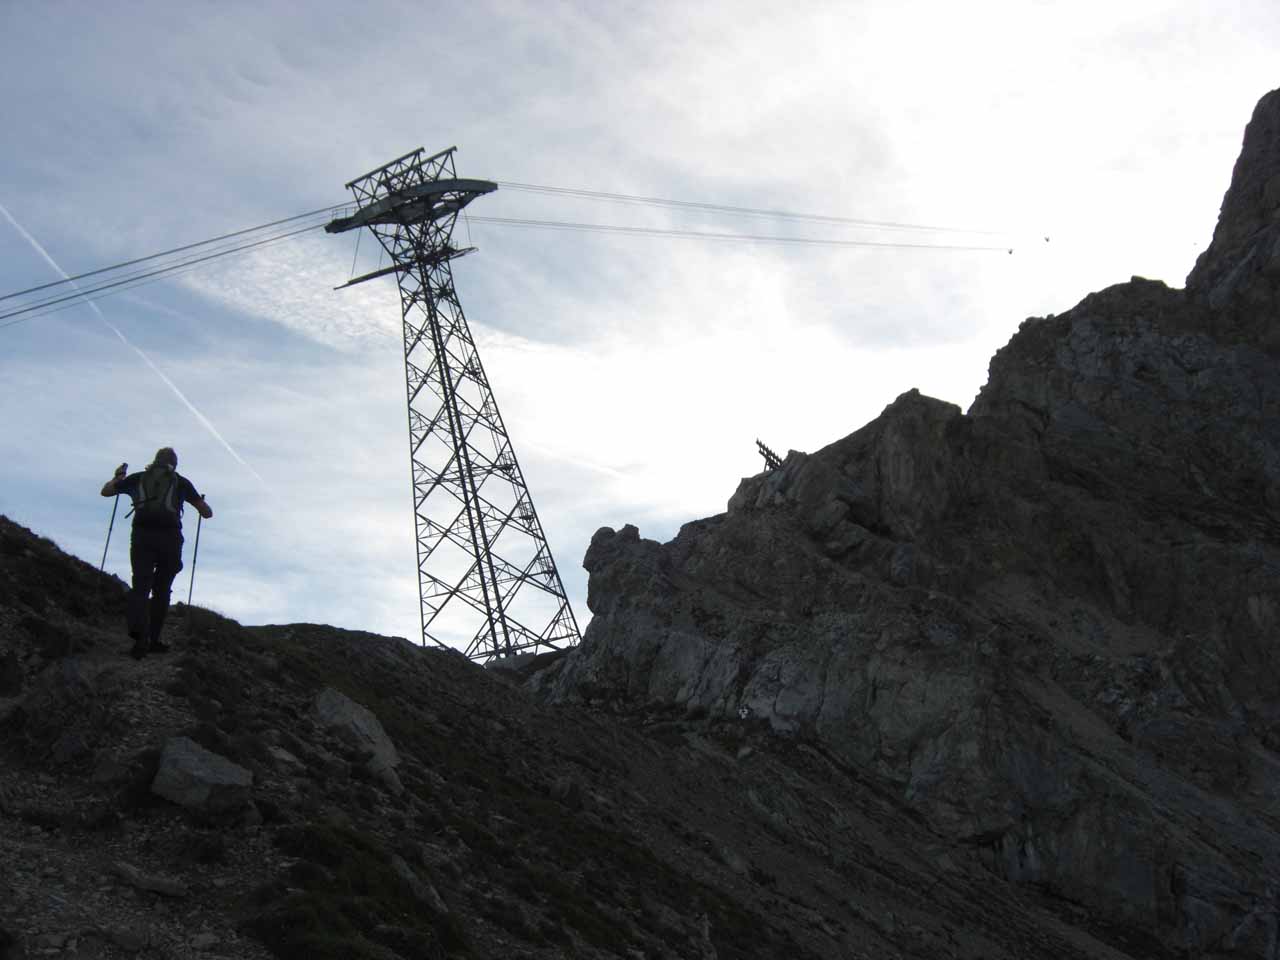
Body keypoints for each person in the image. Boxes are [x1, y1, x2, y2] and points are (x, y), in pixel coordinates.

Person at [100, 447, 213, 659]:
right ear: (174, 464)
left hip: (142, 536)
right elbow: (207, 513)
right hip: (170, 539)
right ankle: (154, 640)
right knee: (162, 590)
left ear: (155, 461)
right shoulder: (180, 482)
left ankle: (138, 635)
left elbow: (106, 492)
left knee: (140, 585)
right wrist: (199, 503)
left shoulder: (138, 478)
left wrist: (118, 477)